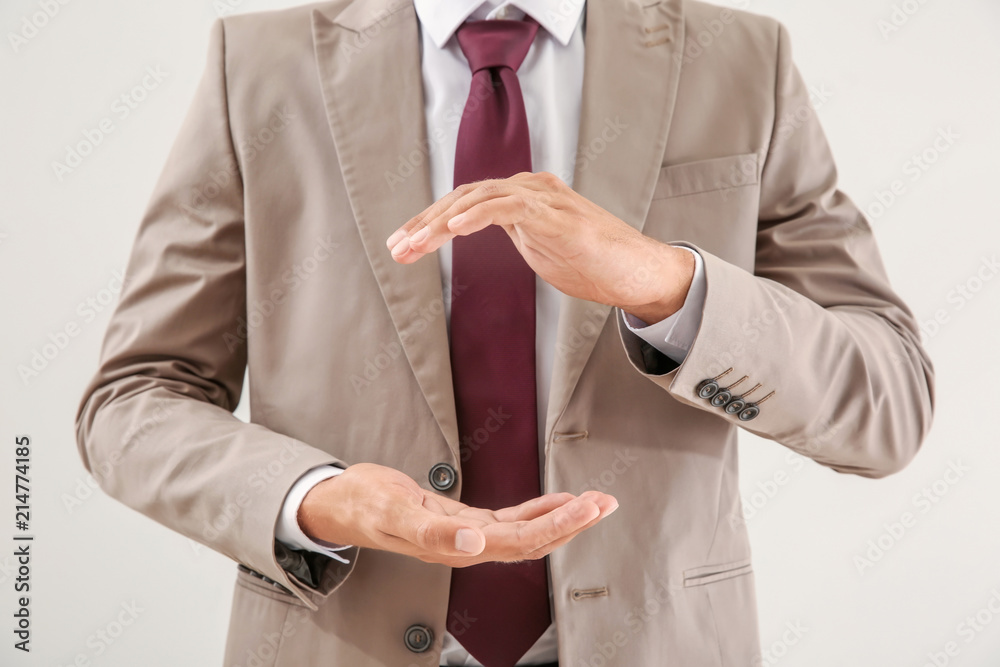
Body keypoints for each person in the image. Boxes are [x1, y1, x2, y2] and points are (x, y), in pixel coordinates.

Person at [75, 0, 935, 665]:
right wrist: (315, 496)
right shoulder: (257, 66)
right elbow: (134, 399)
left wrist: (663, 282)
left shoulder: (743, 60)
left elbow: (887, 403)